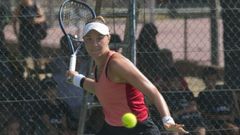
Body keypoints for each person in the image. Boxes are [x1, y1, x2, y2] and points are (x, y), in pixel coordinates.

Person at [66, 16, 188, 135]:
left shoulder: (117, 64)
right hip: (111, 128)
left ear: (108, 38)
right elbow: (101, 88)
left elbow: (153, 91)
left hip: (138, 129)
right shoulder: (98, 65)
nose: (94, 44)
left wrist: (168, 121)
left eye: (100, 38)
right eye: (89, 39)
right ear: (84, 41)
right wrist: (76, 79)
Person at [197, 66, 239, 134]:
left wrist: (232, 115)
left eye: (213, 79)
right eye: (209, 79)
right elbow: (202, 113)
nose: (211, 81)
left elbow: (233, 105)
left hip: (230, 117)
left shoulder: (223, 90)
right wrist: (217, 117)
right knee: (233, 129)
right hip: (216, 121)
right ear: (204, 80)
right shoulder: (203, 94)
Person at [12, 0, 46, 67]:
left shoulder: (35, 6)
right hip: (24, 33)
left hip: (35, 33)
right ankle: (26, 70)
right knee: (24, 54)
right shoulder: (20, 7)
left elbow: (43, 18)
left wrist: (35, 20)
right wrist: (16, 32)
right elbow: (14, 20)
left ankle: (38, 69)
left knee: (36, 54)